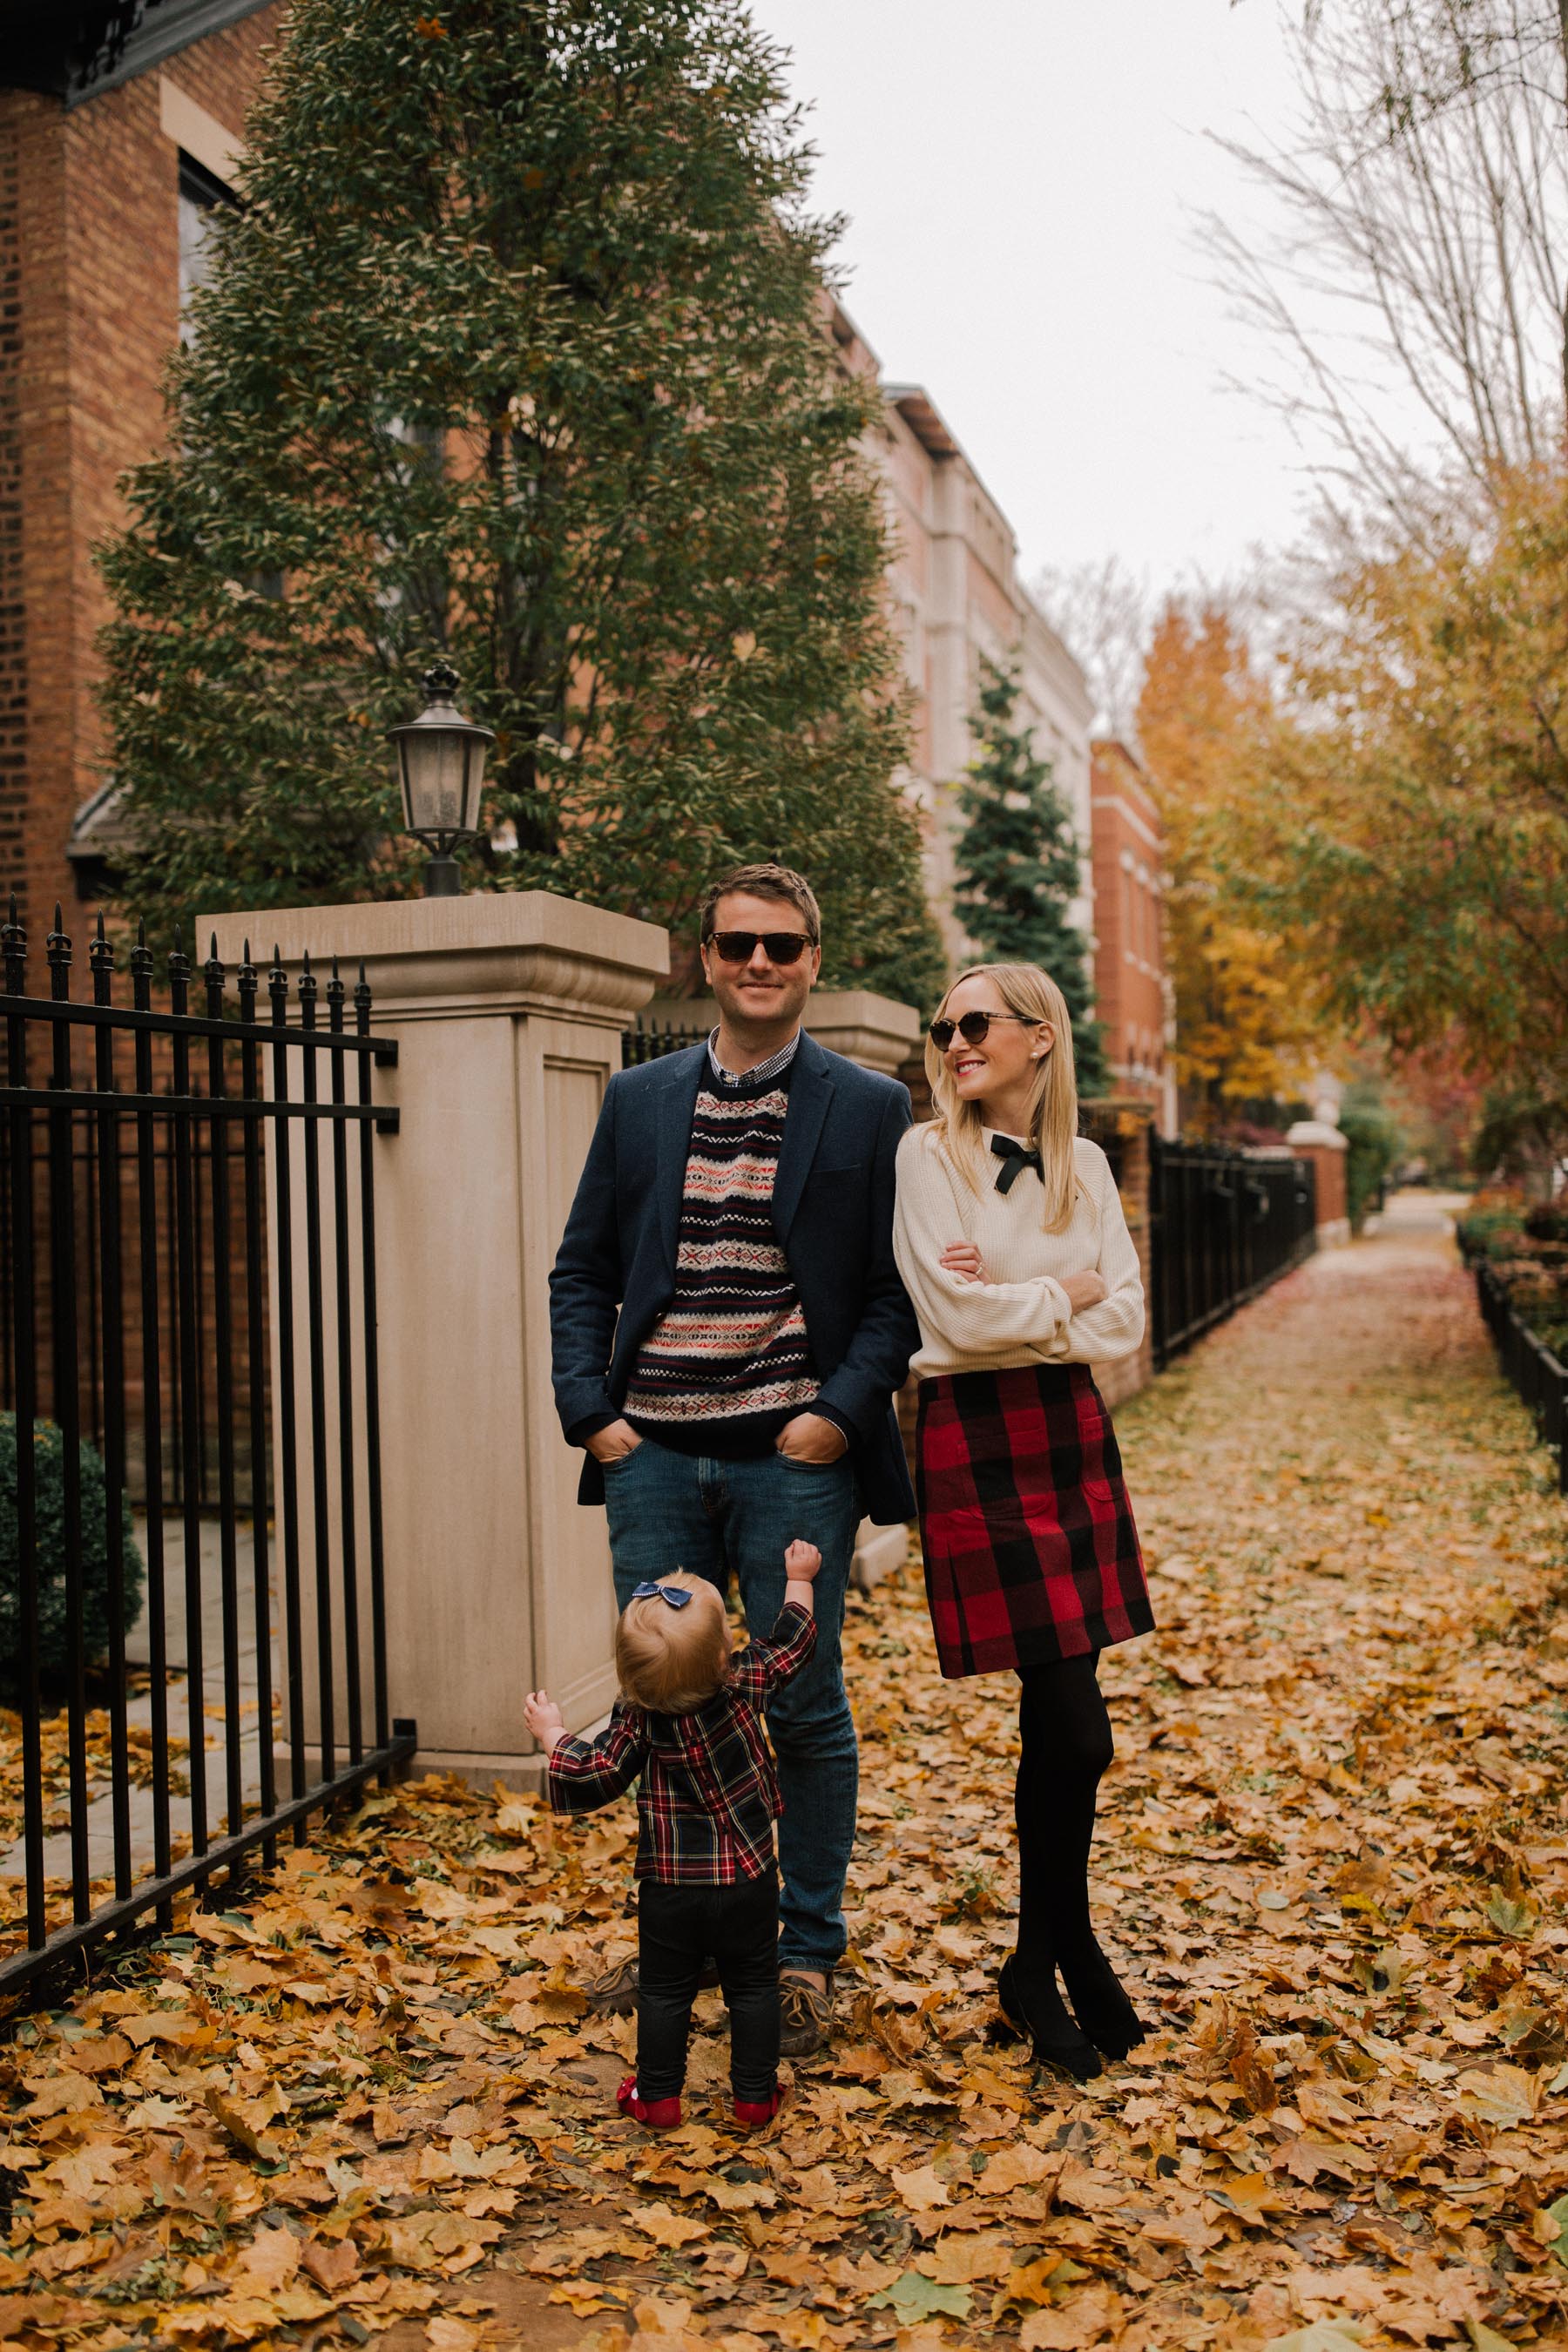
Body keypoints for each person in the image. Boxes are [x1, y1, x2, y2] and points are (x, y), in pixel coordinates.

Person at [549, 861, 918, 2057]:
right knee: (668, 1697)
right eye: (737, 944)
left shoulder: (867, 1105)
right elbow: (584, 1270)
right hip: (652, 1451)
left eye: (782, 946)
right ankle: (680, 1945)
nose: (759, 963)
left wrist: (840, 1415)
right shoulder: (640, 1097)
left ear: (814, 960)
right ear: (702, 959)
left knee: (804, 1705)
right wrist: (591, 1413)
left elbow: (887, 1293)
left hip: (792, 1454)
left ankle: (803, 1950)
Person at [891, 961, 1154, 2083]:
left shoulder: (1086, 1163)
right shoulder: (924, 1155)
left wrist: (1019, 1309)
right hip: (977, 1438)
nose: (954, 1041)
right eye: (943, 1026)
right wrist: (1066, 1296)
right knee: (1075, 1726)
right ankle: (1056, 1956)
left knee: (1067, 1726)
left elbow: (1129, 1318)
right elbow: (947, 1322)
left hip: (1066, 1429)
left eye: (976, 1022)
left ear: (1040, 1037)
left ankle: (1046, 1958)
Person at [524, 1544, 821, 2130]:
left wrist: (555, 1735)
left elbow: (598, 1774)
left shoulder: (637, 1717)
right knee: (753, 1987)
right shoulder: (742, 1682)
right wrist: (798, 1578)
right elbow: (793, 1644)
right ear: (720, 1657)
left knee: (664, 1993)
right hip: (749, 1878)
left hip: (671, 1889)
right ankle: (754, 2098)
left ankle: (658, 2099)